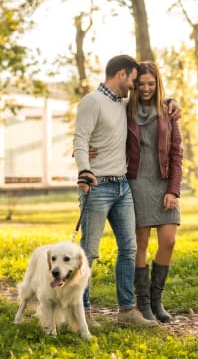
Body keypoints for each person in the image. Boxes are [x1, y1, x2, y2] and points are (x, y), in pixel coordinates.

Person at [73, 55, 180, 327]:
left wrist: (172, 102)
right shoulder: (96, 102)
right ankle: (81, 310)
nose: (137, 87)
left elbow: (154, 110)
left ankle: (128, 310)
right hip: (99, 185)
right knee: (90, 250)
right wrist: (84, 168)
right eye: (135, 80)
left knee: (129, 250)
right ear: (122, 75)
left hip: (122, 186)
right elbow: (81, 138)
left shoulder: (123, 105)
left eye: (143, 83)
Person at [126, 61, 183, 323]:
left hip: (163, 182)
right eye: (141, 84)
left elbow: (176, 154)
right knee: (141, 244)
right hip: (137, 182)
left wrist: (173, 190)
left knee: (169, 241)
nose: (146, 88)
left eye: (151, 83)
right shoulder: (126, 110)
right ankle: (144, 304)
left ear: (157, 84)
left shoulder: (168, 112)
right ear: (135, 85)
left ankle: (157, 299)